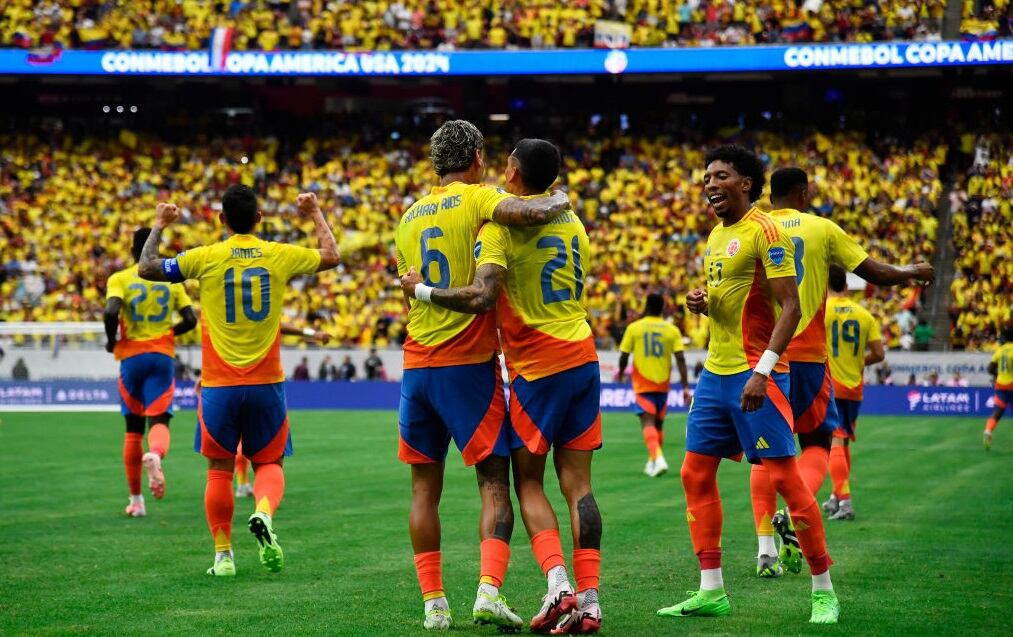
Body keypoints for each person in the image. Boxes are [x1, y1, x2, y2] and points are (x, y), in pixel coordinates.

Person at [403, 138, 604, 634]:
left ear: (512, 170)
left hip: (506, 365)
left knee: (511, 483)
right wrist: (557, 198)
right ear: (478, 161)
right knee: (573, 485)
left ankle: (550, 587)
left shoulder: (414, 218)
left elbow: (484, 291)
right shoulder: (572, 221)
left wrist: (421, 291)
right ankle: (585, 598)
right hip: (576, 354)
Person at [654, 145, 837, 625]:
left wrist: (764, 369)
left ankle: (823, 590)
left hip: (758, 372)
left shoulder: (766, 231)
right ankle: (710, 590)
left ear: (746, 184)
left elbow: (790, 306)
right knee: (694, 475)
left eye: (720, 175)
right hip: (716, 375)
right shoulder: (717, 234)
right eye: (706, 176)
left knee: (784, 479)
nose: (710, 184)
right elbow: (733, 298)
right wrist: (704, 301)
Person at [138, 185, 340, 577]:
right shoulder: (277, 253)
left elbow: (148, 267)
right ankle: (263, 512)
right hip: (267, 382)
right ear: (259, 219)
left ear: (221, 219)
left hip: (218, 385)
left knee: (218, 470)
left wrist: (160, 224)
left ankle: (223, 557)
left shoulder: (205, 257)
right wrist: (314, 212)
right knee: (270, 462)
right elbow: (332, 255)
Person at [747, 167, 934, 579]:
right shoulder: (822, 227)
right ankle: (797, 512)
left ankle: (763, 551)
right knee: (816, 442)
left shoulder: (752, 226)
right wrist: (911, 271)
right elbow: (876, 273)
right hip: (810, 354)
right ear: (801, 191)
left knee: (762, 455)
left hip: (762, 356)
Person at [103, 227, 197, 517]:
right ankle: (155, 454)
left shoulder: (120, 278)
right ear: (155, 251)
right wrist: (169, 333)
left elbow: (110, 312)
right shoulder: (171, 280)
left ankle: (136, 501)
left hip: (132, 357)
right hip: (161, 355)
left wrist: (111, 341)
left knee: (132, 429)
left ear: (133, 252)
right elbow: (191, 319)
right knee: (159, 418)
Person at [822, 265, 884, 521]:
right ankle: (837, 495)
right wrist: (858, 362)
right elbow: (879, 354)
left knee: (834, 441)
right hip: (854, 387)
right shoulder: (864, 314)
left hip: (831, 385)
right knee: (844, 439)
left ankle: (845, 501)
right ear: (846, 286)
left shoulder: (821, 311)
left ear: (825, 287)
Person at [617, 293, 690, 477]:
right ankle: (652, 461)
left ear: (647, 307)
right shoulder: (671, 330)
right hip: (663, 384)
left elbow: (624, 355)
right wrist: (685, 387)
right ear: (662, 308)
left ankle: (658, 458)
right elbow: (680, 359)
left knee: (647, 423)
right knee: (658, 425)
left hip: (643, 383)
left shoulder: (634, 328)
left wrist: (621, 370)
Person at [983, 326, 1013, 450]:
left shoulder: (1000, 350)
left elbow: (990, 369)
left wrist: (998, 374)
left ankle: (988, 430)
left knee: (998, 411)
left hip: (1000, 385)